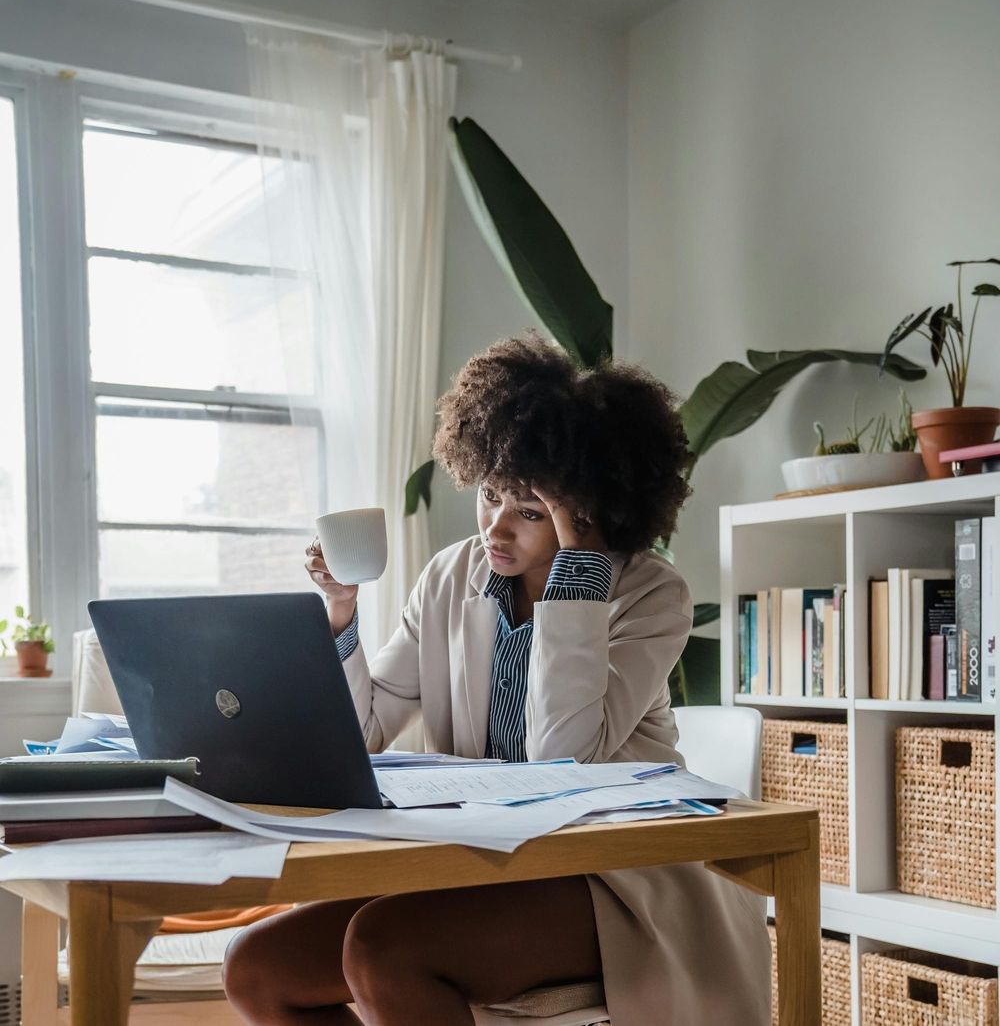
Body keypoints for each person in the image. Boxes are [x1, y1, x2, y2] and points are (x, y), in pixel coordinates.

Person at [222, 334, 770, 1025]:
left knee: (383, 949)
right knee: (256, 967)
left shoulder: (651, 594)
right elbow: (364, 731)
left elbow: (561, 759)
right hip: (479, 863)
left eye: (531, 511)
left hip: (614, 881)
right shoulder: (450, 576)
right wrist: (339, 619)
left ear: (589, 513)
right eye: (489, 496)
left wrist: (577, 575)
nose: (496, 528)